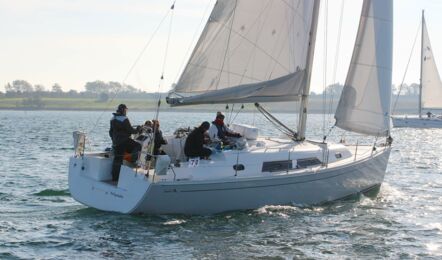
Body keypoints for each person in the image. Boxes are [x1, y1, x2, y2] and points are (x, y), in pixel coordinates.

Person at [109, 104, 141, 182]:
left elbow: (110, 132)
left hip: (116, 142)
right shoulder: (124, 119)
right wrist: (138, 129)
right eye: (126, 110)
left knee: (117, 159)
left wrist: (114, 140)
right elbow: (131, 131)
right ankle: (132, 161)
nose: (126, 112)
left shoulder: (113, 119)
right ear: (123, 110)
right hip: (124, 141)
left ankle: (115, 178)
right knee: (138, 146)